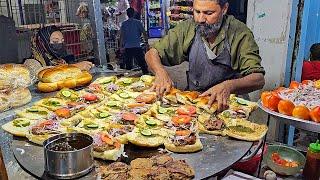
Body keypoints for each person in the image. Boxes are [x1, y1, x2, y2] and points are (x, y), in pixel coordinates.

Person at [145, 0, 265, 111]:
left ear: (224, 9)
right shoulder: (188, 28)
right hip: (195, 100)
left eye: (208, 13)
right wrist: (160, 72)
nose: (201, 19)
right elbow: (152, 53)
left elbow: (258, 79)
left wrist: (228, 86)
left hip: (228, 104)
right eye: (197, 12)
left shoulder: (240, 33)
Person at [24, 26, 94, 74]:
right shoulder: (31, 63)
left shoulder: (60, 61)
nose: (60, 44)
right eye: (55, 42)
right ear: (42, 43)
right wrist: (74, 67)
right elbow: (42, 74)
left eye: (62, 41)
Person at [120, 8, 149, 74]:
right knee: (142, 64)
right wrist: (146, 43)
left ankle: (129, 79)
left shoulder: (124, 24)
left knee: (128, 66)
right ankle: (146, 76)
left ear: (127, 15)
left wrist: (121, 47)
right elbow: (144, 33)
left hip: (127, 48)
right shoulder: (138, 22)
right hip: (137, 46)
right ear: (134, 14)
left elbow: (121, 36)